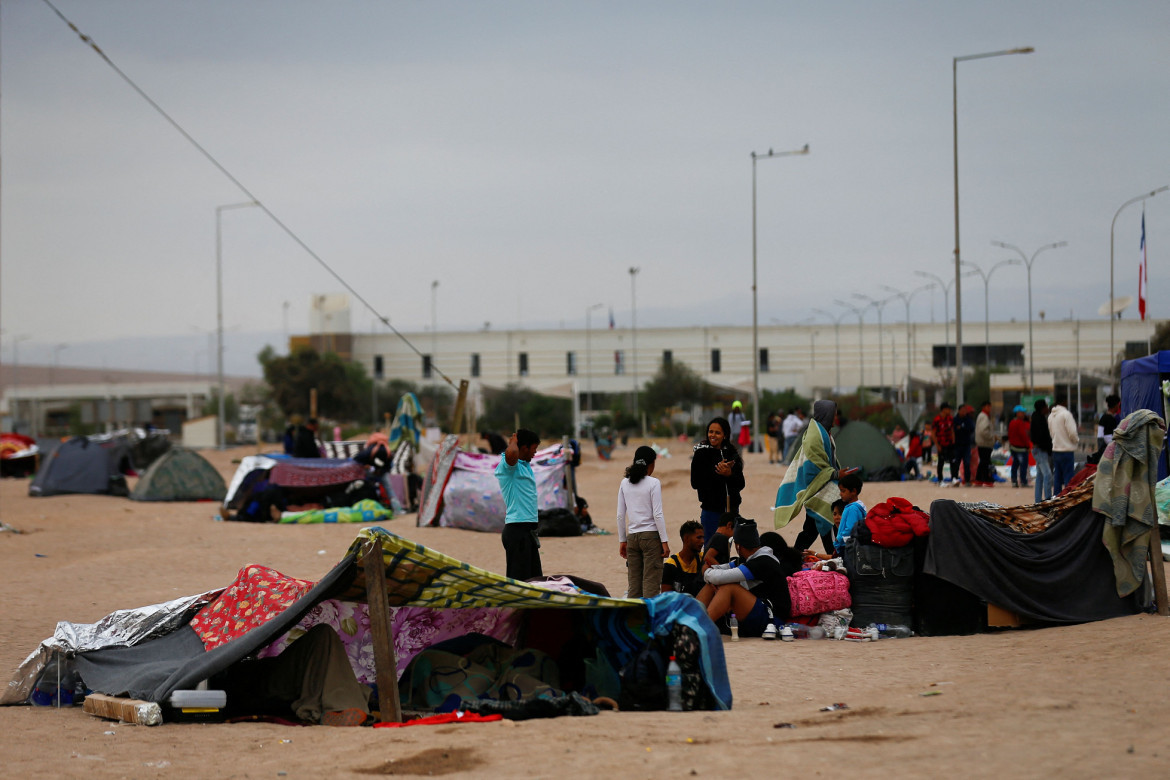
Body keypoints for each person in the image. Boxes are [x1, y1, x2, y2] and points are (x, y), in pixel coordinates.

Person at [774, 399, 854, 555]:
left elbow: (824, 461)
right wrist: (836, 474)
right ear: (827, 414)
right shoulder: (814, 437)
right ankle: (834, 555)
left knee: (812, 527)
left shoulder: (823, 433)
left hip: (824, 484)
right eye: (834, 414)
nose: (835, 417)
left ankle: (795, 556)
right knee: (827, 517)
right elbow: (812, 468)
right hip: (818, 487)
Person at [696, 519, 796, 638]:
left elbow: (720, 577)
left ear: (738, 546)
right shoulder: (750, 558)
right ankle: (690, 622)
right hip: (759, 609)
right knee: (713, 584)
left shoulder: (762, 562)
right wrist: (710, 574)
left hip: (772, 618)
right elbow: (720, 569)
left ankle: (700, 628)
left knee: (729, 587)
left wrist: (706, 571)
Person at [616, 446, 669, 599]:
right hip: (651, 538)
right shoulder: (654, 483)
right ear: (651, 464)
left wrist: (622, 540)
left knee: (634, 586)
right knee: (651, 585)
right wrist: (664, 541)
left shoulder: (625, 483)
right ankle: (649, 621)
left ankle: (633, 621)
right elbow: (657, 514)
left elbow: (620, 515)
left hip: (632, 538)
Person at [495, 429, 542, 581]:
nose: (535, 453)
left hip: (528, 532)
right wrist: (513, 441)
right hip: (516, 530)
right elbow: (511, 455)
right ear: (524, 448)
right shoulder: (509, 467)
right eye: (533, 449)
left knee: (534, 580)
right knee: (519, 582)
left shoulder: (525, 466)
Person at [690, 417, 745, 542]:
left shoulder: (732, 454)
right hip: (711, 511)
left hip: (732, 510)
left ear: (725, 435)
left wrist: (729, 474)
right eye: (711, 432)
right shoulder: (701, 454)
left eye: (717, 432)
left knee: (726, 548)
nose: (713, 435)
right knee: (711, 548)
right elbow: (695, 483)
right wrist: (719, 473)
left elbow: (741, 483)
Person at [661, 520, 705, 597]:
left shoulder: (703, 559)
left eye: (703, 538)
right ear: (686, 539)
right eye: (699, 538)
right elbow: (666, 598)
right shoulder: (670, 565)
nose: (702, 541)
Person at [1048, 396, 1079, 495]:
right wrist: (1076, 440)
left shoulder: (1051, 416)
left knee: (1057, 476)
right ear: (1064, 402)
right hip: (1067, 450)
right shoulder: (1066, 414)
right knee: (1068, 478)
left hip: (1056, 449)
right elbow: (1072, 432)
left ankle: (1056, 497)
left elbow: (1051, 432)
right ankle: (1067, 498)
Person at [833, 473, 867, 553]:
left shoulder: (853, 509)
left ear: (854, 491)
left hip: (848, 547)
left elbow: (851, 528)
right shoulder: (857, 506)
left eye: (843, 491)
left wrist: (839, 539)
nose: (840, 494)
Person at [1031, 399, 1054, 502]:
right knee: (1047, 474)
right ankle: (1048, 498)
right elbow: (1041, 437)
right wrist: (1048, 447)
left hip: (1038, 450)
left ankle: (1038, 500)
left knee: (1040, 475)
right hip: (1041, 450)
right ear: (1043, 408)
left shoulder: (1037, 417)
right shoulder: (1039, 419)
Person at [1007, 405, 1031, 489]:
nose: (1024, 414)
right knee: (1023, 466)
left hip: (1013, 447)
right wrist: (1028, 446)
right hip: (1021, 448)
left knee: (1015, 465)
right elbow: (1023, 435)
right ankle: (1023, 481)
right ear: (1017, 413)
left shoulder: (1011, 422)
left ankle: (1014, 480)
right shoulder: (1020, 422)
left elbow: (1009, 434)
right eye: (1022, 412)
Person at [932, 404, 956, 482]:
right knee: (941, 462)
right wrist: (937, 445)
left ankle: (954, 478)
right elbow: (933, 433)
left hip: (950, 443)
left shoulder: (950, 419)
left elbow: (952, 430)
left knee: (953, 461)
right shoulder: (937, 419)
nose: (949, 411)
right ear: (944, 410)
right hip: (941, 444)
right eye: (948, 409)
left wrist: (953, 441)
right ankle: (940, 479)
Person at [974, 401, 996, 486]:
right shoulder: (984, 416)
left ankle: (979, 479)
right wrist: (992, 437)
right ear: (983, 407)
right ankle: (986, 480)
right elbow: (983, 431)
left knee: (983, 461)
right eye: (988, 406)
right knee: (985, 462)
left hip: (983, 443)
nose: (989, 408)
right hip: (985, 443)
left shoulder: (983, 416)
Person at [953, 405, 975, 486]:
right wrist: (962, 428)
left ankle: (967, 481)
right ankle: (955, 479)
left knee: (967, 463)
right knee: (956, 463)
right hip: (957, 445)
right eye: (962, 410)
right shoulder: (955, 420)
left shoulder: (968, 420)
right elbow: (954, 429)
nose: (964, 412)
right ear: (958, 411)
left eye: (965, 410)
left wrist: (961, 428)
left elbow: (971, 428)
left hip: (966, 445)